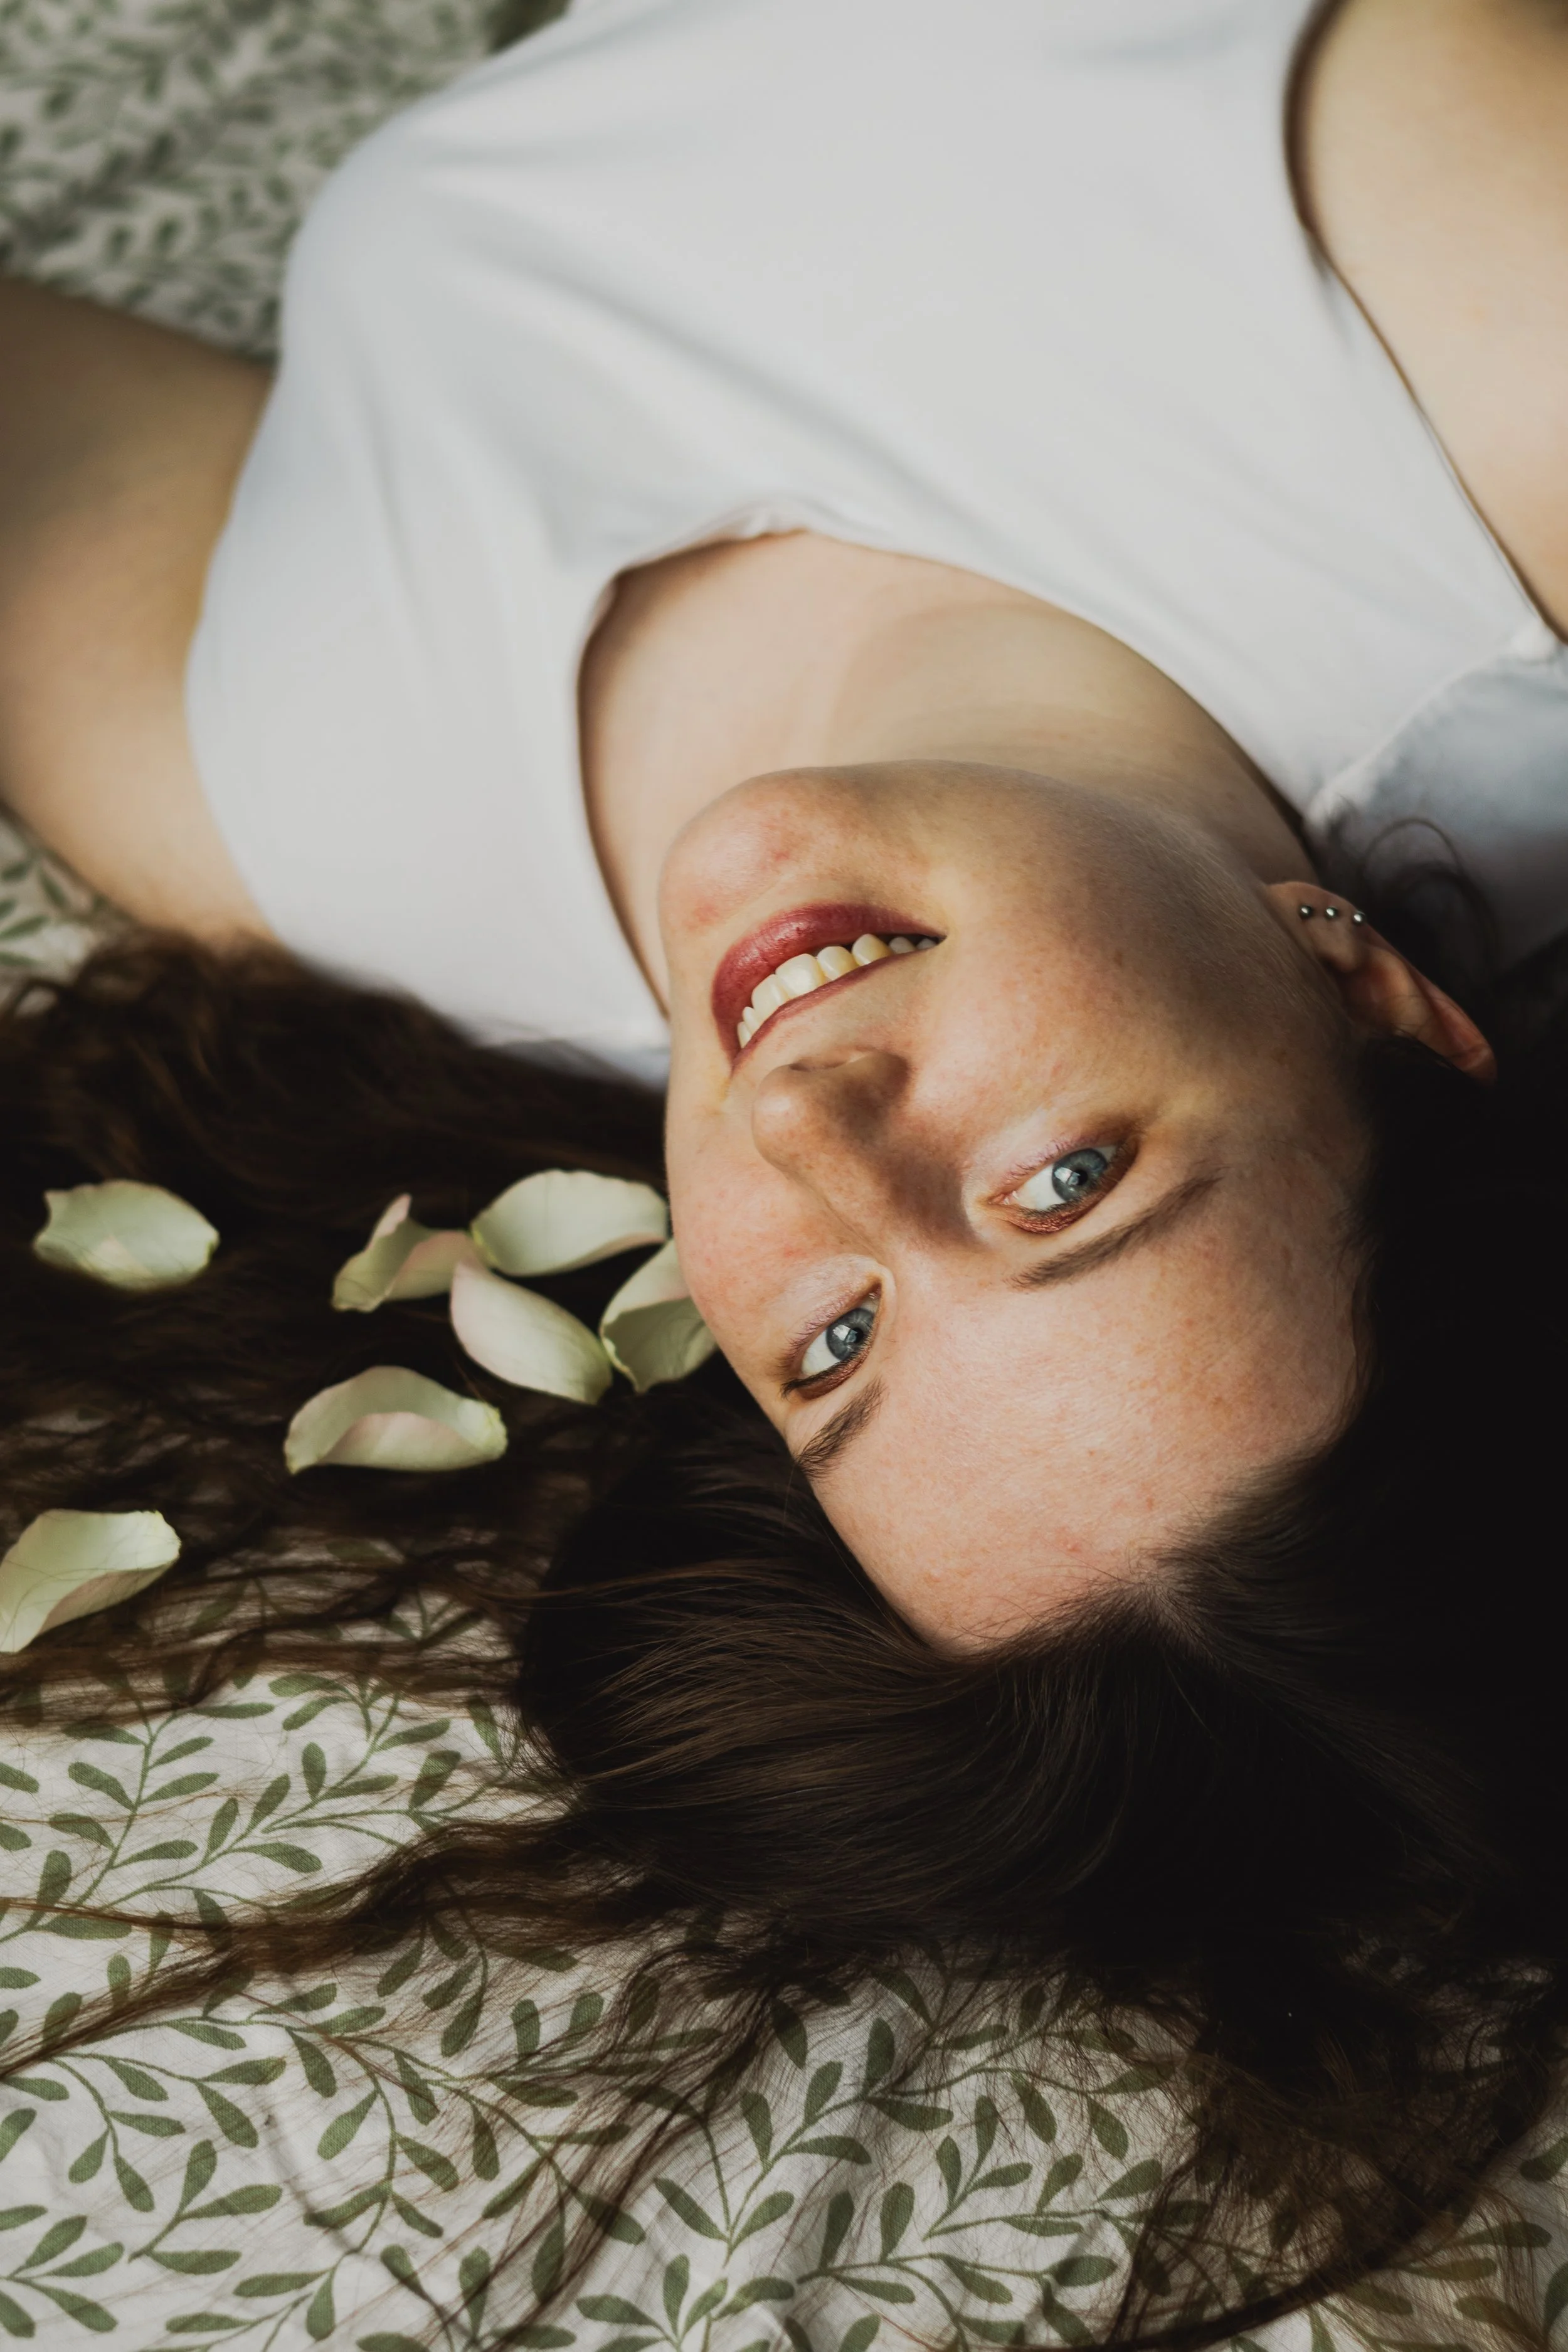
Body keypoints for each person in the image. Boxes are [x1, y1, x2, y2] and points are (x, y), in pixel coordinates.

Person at [1, 0, 1567, 2341]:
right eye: (1060, 1183)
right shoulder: (1487, 411)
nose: (811, 1128)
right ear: (1369, 995)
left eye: (834, 1342)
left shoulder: (325, 841)